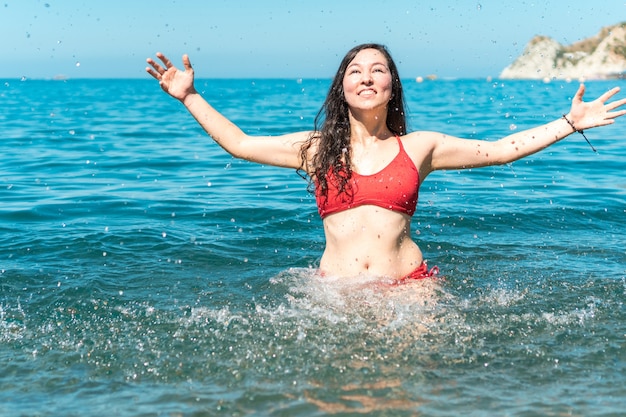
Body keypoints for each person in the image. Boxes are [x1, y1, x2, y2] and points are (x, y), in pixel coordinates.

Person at [146, 43, 626, 282]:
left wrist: (569, 122)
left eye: (379, 70)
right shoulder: (316, 149)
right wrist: (189, 97)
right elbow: (240, 143)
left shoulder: (420, 147)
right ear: (342, 88)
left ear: (392, 86)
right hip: (335, 291)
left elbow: (501, 150)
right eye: (356, 71)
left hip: (410, 290)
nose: (367, 77)